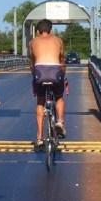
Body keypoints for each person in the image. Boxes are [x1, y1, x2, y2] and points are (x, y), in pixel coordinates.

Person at [28, 18, 66, 147]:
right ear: (51, 30)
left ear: (38, 31)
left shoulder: (33, 42)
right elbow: (62, 60)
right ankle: (60, 121)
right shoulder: (58, 40)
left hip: (39, 71)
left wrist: (34, 77)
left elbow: (32, 62)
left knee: (40, 101)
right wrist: (63, 76)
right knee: (59, 96)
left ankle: (39, 138)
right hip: (55, 70)